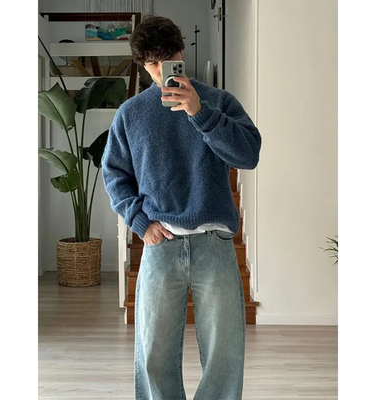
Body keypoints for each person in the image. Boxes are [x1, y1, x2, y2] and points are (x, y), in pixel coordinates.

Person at [102, 14, 262, 400]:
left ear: (181, 53)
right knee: (153, 353)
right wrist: (139, 221)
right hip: (161, 244)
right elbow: (114, 173)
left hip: (214, 243)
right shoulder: (131, 114)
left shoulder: (218, 101)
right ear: (143, 65)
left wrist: (199, 112)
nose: (162, 71)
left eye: (168, 59)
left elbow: (248, 154)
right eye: (152, 64)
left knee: (225, 354)